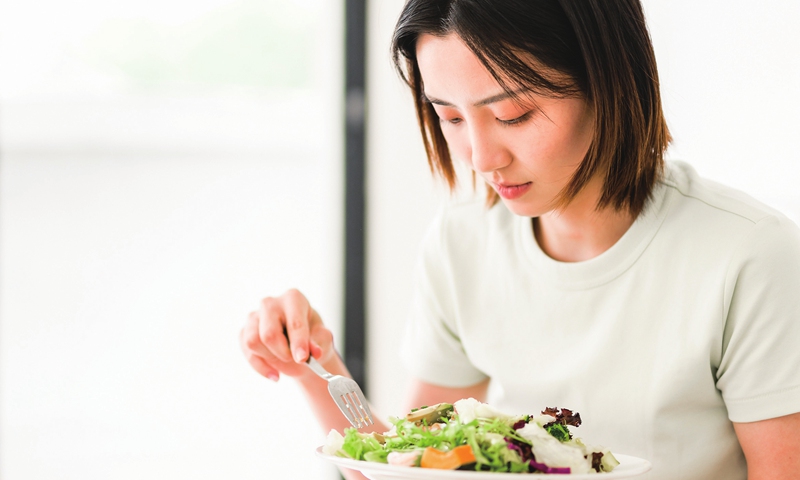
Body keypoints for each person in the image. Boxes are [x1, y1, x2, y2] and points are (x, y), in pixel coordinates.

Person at [240, 1, 800, 479]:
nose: (482, 159)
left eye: (513, 114)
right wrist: (317, 367)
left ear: (608, 80)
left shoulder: (751, 257)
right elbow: (408, 465)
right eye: (450, 117)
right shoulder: (464, 240)